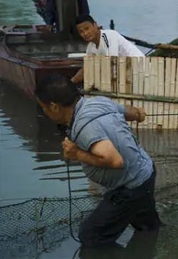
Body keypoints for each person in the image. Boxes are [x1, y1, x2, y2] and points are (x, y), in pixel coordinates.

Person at [35, 73, 161, 248]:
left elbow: (115, 160)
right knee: (147, 227)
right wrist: (139, 114)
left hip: (129, 187)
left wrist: (76, 153)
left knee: (91, 236)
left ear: (55, 107)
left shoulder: (85, 126)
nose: (44, 111)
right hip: (146, 172)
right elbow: (128, 112)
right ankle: (152, 245)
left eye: (43, 107)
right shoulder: (97, 102)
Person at [71, 14, 145, 84]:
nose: (85, 33)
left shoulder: (109, 36)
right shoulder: (90, 48)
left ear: (95, 25)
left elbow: (113, 65)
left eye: (87, 28)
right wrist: (72, 81)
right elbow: (86, 69)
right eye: (81, 31)